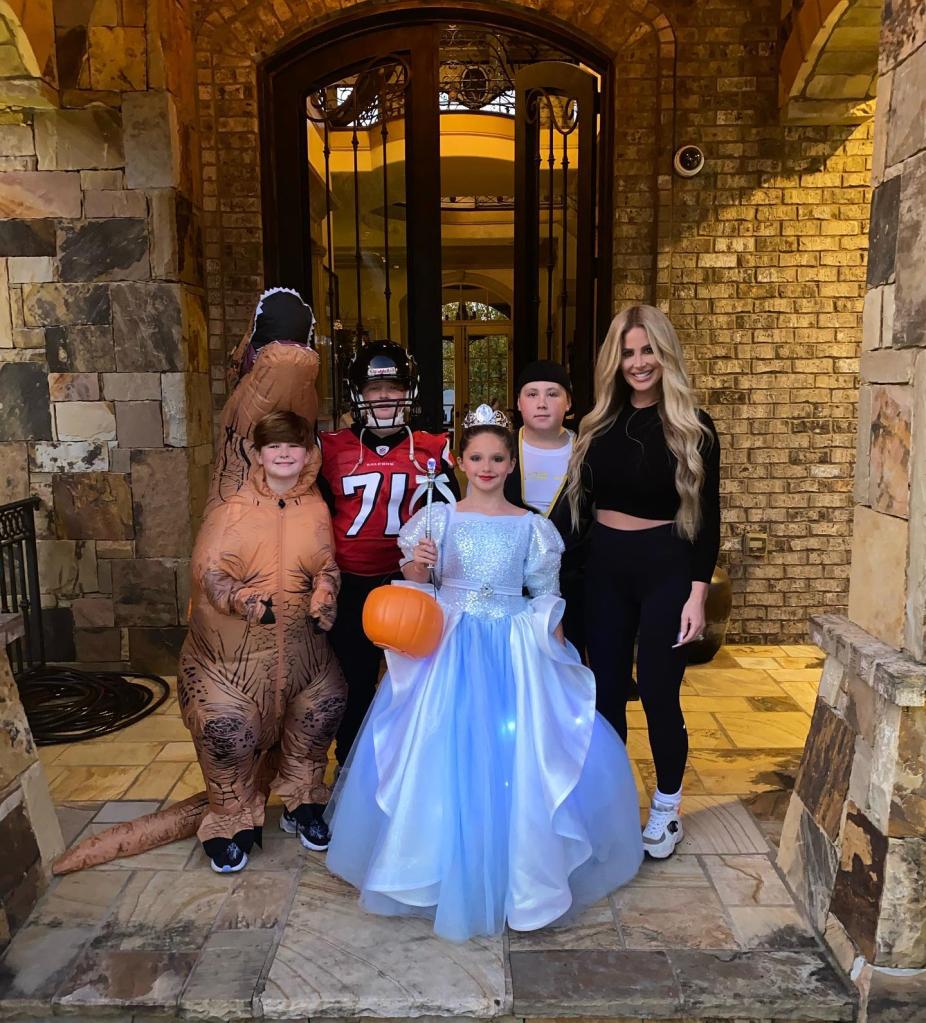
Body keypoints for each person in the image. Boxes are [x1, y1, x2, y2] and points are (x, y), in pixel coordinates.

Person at [325, 404, 642, 941]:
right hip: (451, 642)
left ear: (510, 464)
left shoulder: (534, 529)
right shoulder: (436, 520)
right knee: (442, 746)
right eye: (477, 456)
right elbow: (416, 588)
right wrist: (418, 564)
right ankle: (435, 863)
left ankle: (517, 865)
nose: (488, 466)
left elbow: (546, 597)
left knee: (515, 751)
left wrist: (561, 662)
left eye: (498, 457)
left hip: (513, 645)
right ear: (459, 460)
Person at [566, 304, 720, 860]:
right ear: (615, 359)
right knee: (606, 694)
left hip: (667, 569)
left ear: (665, 354)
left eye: (648, 350)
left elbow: (707, 518)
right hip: (605, 567)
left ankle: (665, 810)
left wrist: (698, 593)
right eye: (628, 352)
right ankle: (611, 806)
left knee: (658, 692)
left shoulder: (693, 427)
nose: (638, 362)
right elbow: (573, 511)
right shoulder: (596, 425)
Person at [179, 410, 347, 873]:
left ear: (308, 452)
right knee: (226, 732)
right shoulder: (232, 507)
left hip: (302, 655)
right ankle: (229, 818)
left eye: (294, 446)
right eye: (275, 446)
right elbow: (209, 571)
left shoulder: (315, 506)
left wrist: (325, 590)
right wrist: (240, 597)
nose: (285, 454)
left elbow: (326, 563)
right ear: (258, 453)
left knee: (321, 712)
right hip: (234, 662)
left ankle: (303, 800)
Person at [318, 341, 460, 767]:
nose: (385, 397)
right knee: (353, 683)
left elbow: (454, 520)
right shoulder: (331, 447)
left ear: (409, 390)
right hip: (352, 584)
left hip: (411, 586)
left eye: (394, 387)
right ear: (357, 393)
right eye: (374, 388)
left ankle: (411, 770)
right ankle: (349, 769)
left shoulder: (434, 447)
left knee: (414, 683)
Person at [504, 360, 590, 656]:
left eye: (552, 394)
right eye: (532, 394)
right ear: (518, 402)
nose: (542, 403)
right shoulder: (500, 449)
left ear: (568, 402)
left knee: (568, 664)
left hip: (572, 585)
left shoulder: (587, 450)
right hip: (511, 585)